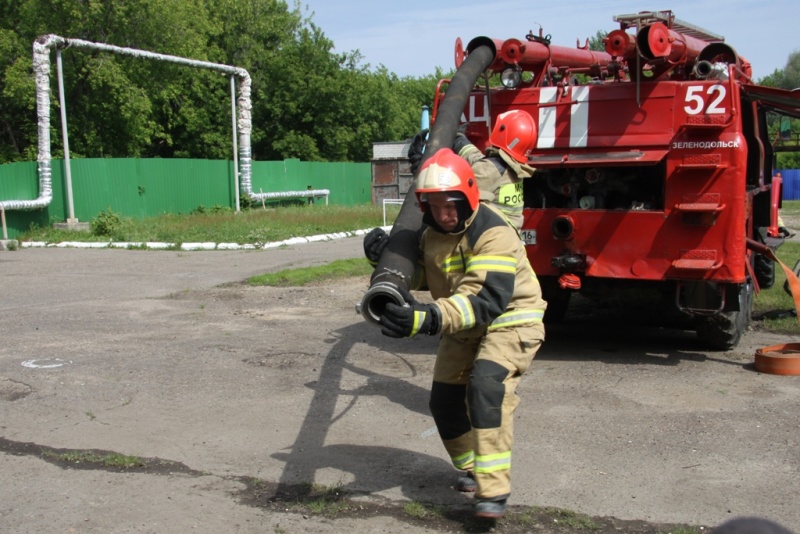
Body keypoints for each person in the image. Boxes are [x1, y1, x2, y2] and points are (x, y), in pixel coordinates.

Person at [378, 148, 547, 519]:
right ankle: (472, 467)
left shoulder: (494, 231)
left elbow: (485, 298)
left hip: (510, 317)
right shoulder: (434, 233)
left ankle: (493, 490)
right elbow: (429, 278)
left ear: (469, 196)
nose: (444, 215)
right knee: (445, 403)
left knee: (487, 386)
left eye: (451, 204)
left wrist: (424, 319)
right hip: (464, 323)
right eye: (434, 207)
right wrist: (387, 260)